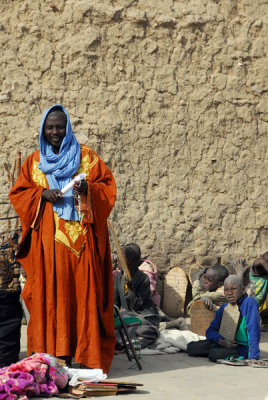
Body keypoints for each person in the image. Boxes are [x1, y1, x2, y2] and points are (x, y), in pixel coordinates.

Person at [9, 104, 116, 373]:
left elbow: (107, 188)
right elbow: (20, 194)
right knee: (51, 301)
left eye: (59, 127)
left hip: (82, 245)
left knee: (83, 298)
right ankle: (53, 357)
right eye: (50, 127)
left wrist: (87, 188)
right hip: (48, 248)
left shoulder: (87, 158)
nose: (55, 132)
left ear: (67, 128)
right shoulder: (33, 162)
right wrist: (42, 195)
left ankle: (86, 359)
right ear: (43, 130)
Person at [187, 275, 261, 363]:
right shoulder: (224, 308)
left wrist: (253, 356)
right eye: (226, 290)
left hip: (240, 347)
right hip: (222, 343)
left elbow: (253, 330)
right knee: (191, 347)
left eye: (233, 289)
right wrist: (220, 341)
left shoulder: (249, 302)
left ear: (243, 289)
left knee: (214, 354)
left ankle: (231, 354)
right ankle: (218, 348)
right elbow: (210, 331)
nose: (229, 293)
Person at [113, 243, 160, 349]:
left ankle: (149, 333)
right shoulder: (118, 277)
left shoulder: (143, 279)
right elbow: (115, 303)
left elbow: (136, 305)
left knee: (127, 321)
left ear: (128, 261)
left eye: (119, 259)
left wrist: (129, 287)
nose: (117, 262)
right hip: (128, 317)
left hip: (145, 316)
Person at [232, 252, 268, 323]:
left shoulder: (266, 276)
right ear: (259, 256)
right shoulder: (244, 271)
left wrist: (263, 262)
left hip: (259, 313)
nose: (263, 266)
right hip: (242, 311)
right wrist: (240, 274)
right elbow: (235, 295)